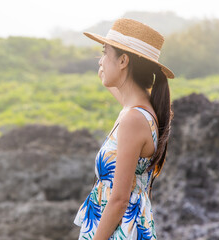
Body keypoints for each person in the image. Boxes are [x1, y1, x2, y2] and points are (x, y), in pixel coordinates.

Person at [73, 18, 175, 240]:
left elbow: (119, 200)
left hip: (119, 232)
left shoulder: (133, 119)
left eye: (104, 53)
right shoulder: (140, 111)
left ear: (123, 61)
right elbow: (127, 100)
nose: (100, 61)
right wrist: (107, 77)